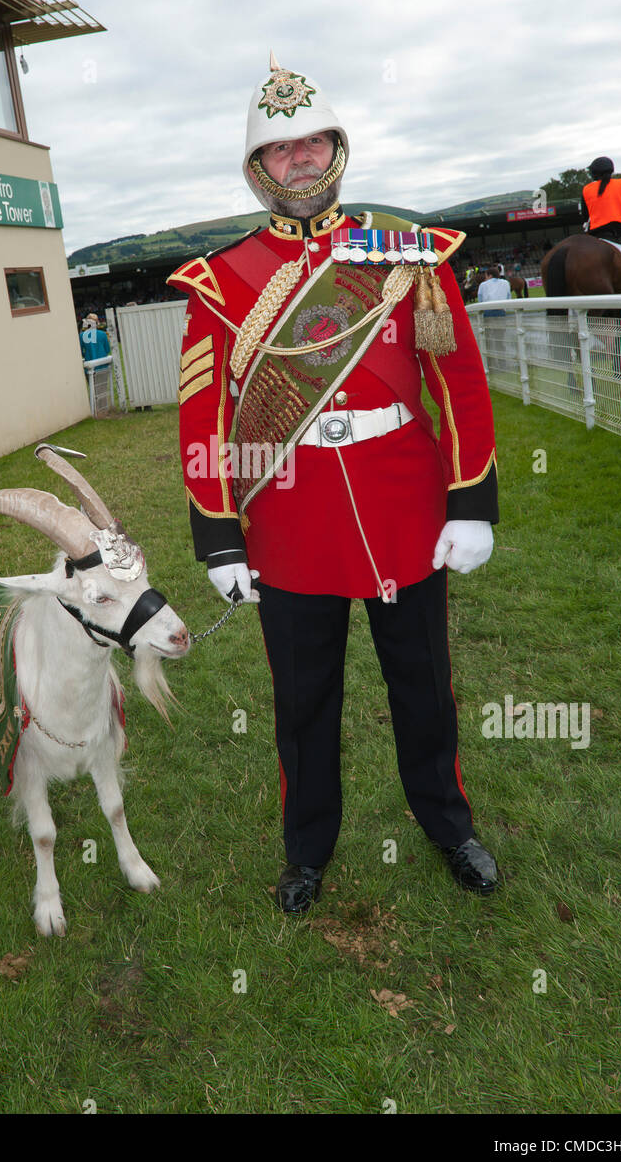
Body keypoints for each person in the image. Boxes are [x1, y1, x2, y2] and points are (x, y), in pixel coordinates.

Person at [167, 54, 501, 914]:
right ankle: (307, 849)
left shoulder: (405, 254)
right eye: (280, 150)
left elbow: (455, 384)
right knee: (303, 704)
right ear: (257, 170)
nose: (300, 159)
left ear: (337, 149)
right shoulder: (219, 282)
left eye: (313, 141)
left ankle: (448, 824)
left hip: (405, 509)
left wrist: (469, 501)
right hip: (291, 525)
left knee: (423, 688)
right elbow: (203, 422)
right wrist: (218, 534)